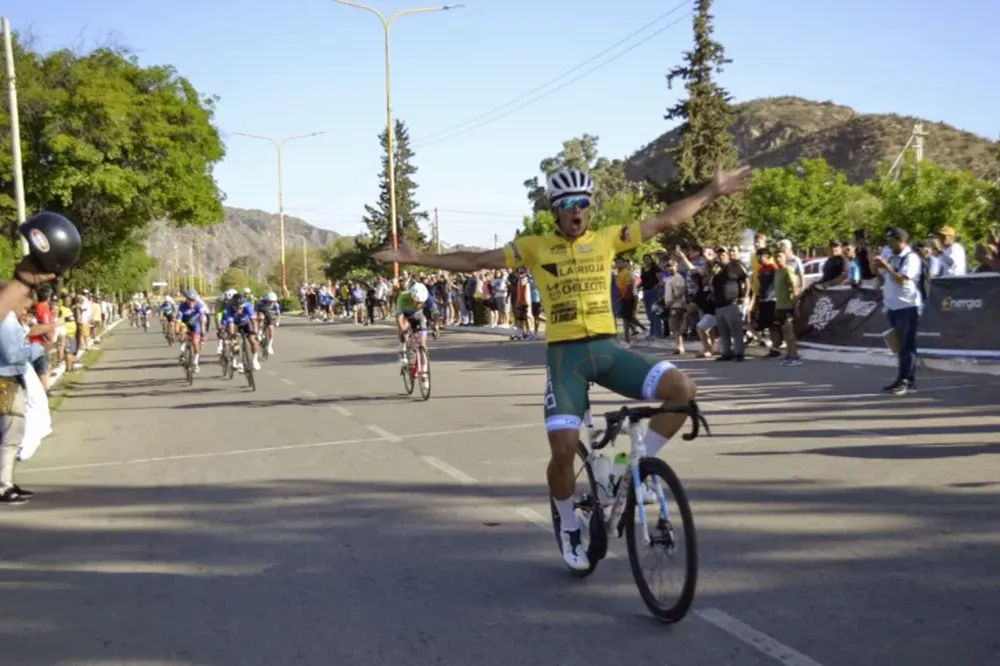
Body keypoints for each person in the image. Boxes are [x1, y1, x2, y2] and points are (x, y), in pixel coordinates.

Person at [373, 163, 751, 571]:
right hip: (565, 359)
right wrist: (420, 259)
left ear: (590, 208)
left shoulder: (608, 239)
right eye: (568, 205)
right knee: (564, 449)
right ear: (555, 210)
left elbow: (665, 219)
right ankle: (570, 524)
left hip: (609, 351)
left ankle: (633, 469)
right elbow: (475, 260)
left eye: (583, 204)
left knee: (683, 390)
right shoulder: (535, 246)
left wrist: (711, 191)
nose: (576, 211)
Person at [1, 211, 82, 505]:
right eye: (27, 301)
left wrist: (23, 281)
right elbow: (12, 354)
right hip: (5, 381)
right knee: (10, 431)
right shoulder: (8, 322)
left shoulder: (12, 317)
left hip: (9, 379)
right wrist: (41, 349)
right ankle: (3, 483)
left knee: (12, 431)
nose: (28, 307)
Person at [876, 227, 923, 395]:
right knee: (898, 346)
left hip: (907, 306)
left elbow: (902, 280)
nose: (889, 245)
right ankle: (901, 377)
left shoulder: (911, 258)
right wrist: (877, 264)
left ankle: (908, 380)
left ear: (901, 240)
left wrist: (887, 266)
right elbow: (882, 275)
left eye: (891, 241)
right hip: (893, 305)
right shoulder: (892, 256)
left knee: (907, 345)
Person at [394, 282, 435, 368]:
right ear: (412, 297)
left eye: (421, 302)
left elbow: (436, 313)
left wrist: (437, 327)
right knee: (403, 328)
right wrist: (403, 331)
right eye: (417, 302)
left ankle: (424, 370)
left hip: (418, 314)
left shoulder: (428, 297)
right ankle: (402, 348)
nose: (419, 304)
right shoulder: (403, 297)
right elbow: (399, 318)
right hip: (405, 315)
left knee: (423, 343)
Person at [222, 292, 261, 371]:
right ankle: (236, 359)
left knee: (253, 341)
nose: (238, 310)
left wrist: (256, 331)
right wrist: (232, 336)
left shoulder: (248, 306)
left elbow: (253, 321)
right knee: (234, 341)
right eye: (235, 308)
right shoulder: (229, 308)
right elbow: (231, 324)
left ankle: (255, 360)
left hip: (246, 323)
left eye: (240, 307)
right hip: (235, 324)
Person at [175, 290, 206, 372]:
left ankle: (195, 362)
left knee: (195, 343)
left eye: (194, 300)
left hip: (195, 324)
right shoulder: (182, 306)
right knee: (182, 332)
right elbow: (178, 320)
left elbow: (202, 320)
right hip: (185, 323)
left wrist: (203, 332)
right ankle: (182, 352)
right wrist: (177, 332)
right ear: (187, 299)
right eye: (190, 300)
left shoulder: (199, 305)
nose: (192, 302)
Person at [256, 291, 281, 355]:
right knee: (261, 317)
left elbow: (278, 314)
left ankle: (270, 346)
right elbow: (254, 312)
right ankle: (260, 331)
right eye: (270, 301)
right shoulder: (260, 302)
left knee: (271, 328)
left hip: (269, 314)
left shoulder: (276, 304)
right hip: (261, 312)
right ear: (267, 300)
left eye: (273, 301)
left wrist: (277, 321)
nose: (272, 303)